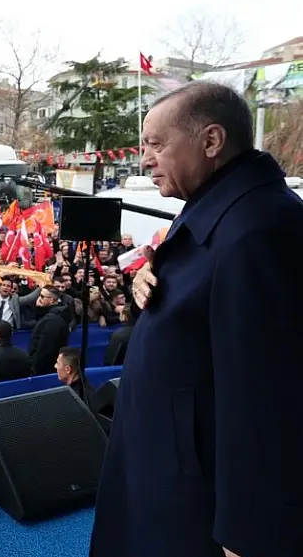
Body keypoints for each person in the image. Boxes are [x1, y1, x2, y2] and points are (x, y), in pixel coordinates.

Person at [91, 82, 303, 557]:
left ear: (211, 142)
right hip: (169, 476)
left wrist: (249, 531)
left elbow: (267, 396)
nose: (145, 159)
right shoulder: (225, 207)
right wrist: (155, 277)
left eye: (156, 144)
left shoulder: (260, 231)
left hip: (195, 507)